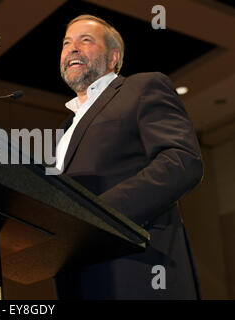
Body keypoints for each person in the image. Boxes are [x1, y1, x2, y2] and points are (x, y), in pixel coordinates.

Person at [53, 14, 203, 299]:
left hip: (138, 272)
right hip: (80, 280)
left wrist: (97, 215)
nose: (72, 48)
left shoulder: (142, 87)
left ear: (113, 57)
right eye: (66, 42)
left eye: (85, 40)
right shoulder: (64, 130)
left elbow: (182, 161)